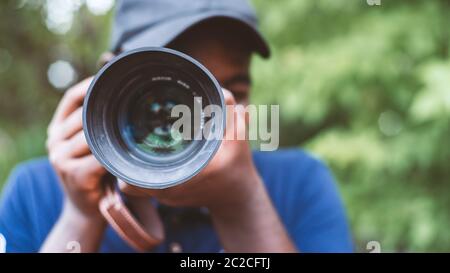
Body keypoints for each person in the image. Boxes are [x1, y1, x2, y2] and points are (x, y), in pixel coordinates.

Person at [0, 0, 353, 253]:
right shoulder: (35, 192)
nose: (214, 113)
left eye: (234, 91)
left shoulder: (300, 182)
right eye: (171, 88)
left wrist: (241, 200)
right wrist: (81, 215)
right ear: (108, 80)